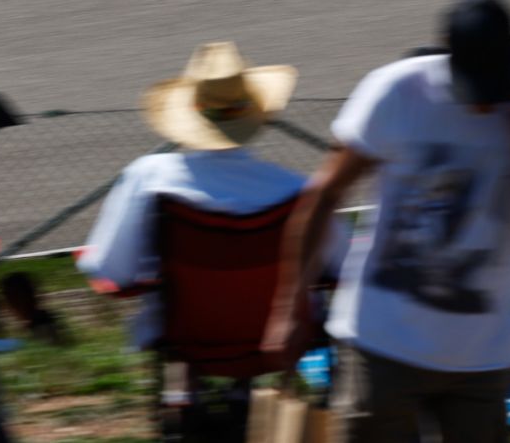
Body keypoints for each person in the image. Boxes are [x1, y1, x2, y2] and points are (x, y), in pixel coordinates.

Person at [266, 0, 510, 443]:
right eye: (473, 90)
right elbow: (325, 193)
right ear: (447, 52)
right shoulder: (398, 90)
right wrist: (290, 307)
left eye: (491, 90)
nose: (481, 107)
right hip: (381, 346)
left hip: (482, 358)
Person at [76, 41, 347, 349]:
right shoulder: (298, 190)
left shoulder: (149, 177)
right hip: (284, 339)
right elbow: (345, 265)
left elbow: (110, 270)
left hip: (183, 338)